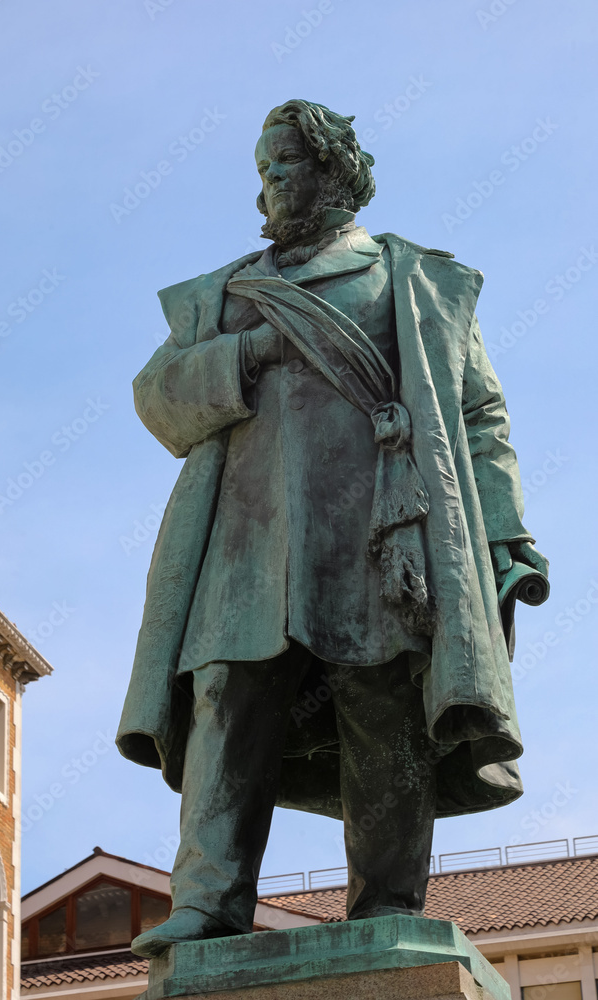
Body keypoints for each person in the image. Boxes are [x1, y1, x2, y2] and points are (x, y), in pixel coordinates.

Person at [116, 100, 549, 957]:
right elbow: (158, 402)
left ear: (332, 171)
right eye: (261, 174)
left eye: (280, 169)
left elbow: (478, 416)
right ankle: (207, 901)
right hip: (243, 542)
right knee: (225, 705)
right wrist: (244, 356)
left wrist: (503, 536)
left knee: (382, 703)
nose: (265, 192)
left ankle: (386, 903)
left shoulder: (412, 280)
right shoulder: (227, 297)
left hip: (380, 535)